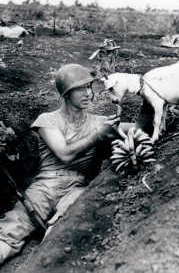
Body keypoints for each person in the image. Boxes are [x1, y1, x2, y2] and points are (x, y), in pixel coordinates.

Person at [0, 64, 134, 265]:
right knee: (11, 229)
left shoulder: (100, 122)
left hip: (78, 188)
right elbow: (64, 154)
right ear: (66, 93)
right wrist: (99, 133)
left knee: (65, 229)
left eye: (89, 87)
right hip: (45, 186)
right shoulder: (47, 120)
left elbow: (140, 129)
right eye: (81, 88)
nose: (88, 93)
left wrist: (156, 105)